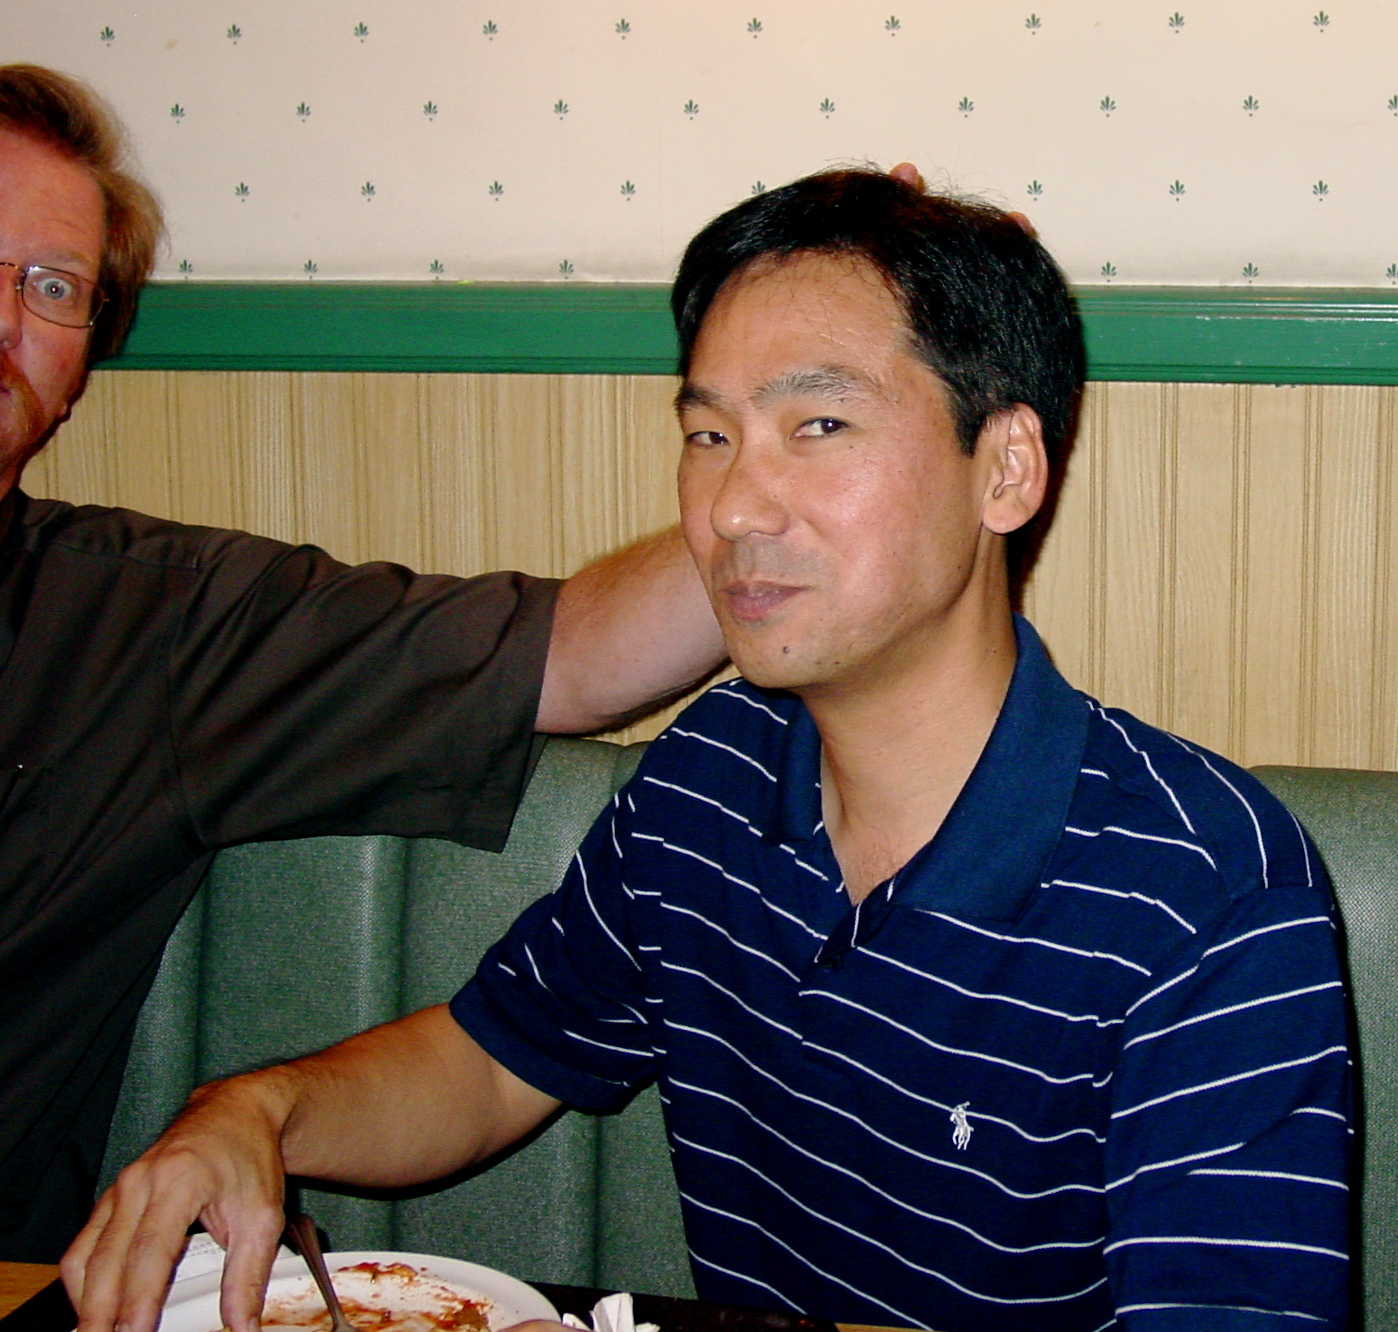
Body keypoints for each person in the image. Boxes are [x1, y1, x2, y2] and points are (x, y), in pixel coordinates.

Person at [64, 170, 1352, 1332]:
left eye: (820, 426)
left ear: (1005, 468)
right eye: (708, 434)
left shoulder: (1207, 887)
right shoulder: (713, 773)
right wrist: (256, 1111)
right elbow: (488, 1063)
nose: (732, 506)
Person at [0, 63, 725, 1264]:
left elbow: (580, 654)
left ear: (81, 368)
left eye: (54, 286)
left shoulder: (146, 628)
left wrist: (871, 407)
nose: (8, 319)